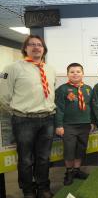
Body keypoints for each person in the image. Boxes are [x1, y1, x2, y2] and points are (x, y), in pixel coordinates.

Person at [0, 35, 55, 198]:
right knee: (25, 159)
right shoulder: (13, 68)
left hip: (48, 119)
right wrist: (18, 112)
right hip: (24, 120)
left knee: (44, 157)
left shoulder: (50, 69)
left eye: (40, 45)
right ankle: (28, 190)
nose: (36, 47)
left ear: (44, 49)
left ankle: (43, 187)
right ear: (25, 48)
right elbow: (4, 96)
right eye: (32, 44)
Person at [55, 63, 93, 186]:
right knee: (69, 149)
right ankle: (69, 172)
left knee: (81, 149)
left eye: (78, 71)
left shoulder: (88, 88)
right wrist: (59, 125)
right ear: (67, 74)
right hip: (68, 125)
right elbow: (59, 108)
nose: (75, 74)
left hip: (85, 124)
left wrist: (92, 121)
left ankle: (77, 170)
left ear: (83, 73)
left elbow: (91, 106)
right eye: (72, 72)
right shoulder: (62, 89)